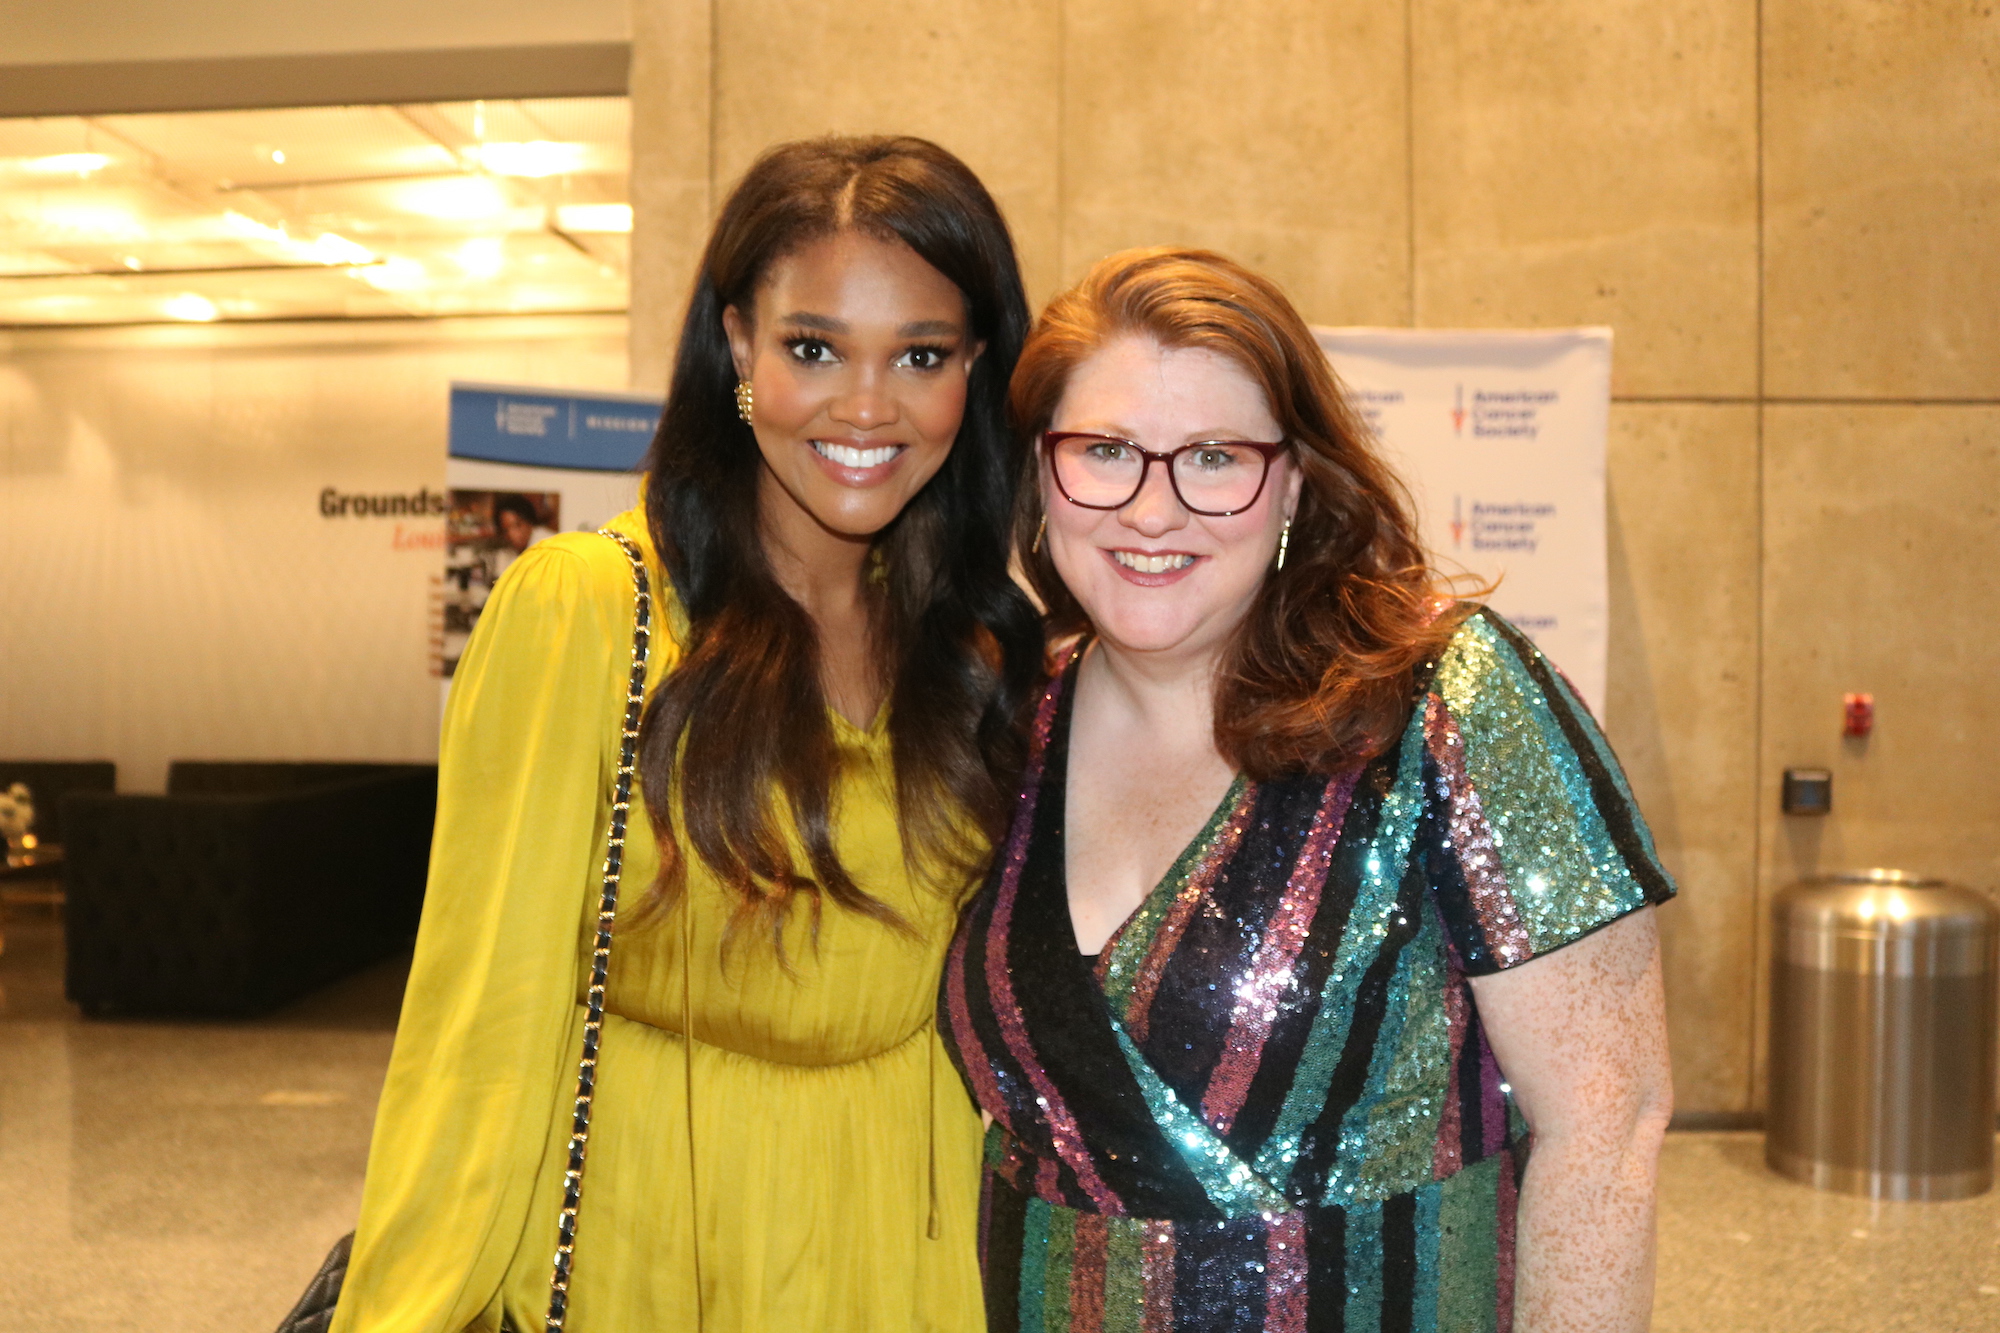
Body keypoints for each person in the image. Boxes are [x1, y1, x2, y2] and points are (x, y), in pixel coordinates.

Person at [332, 136, 1042, 1332]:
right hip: (653, 1248)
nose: (866, 405)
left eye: (919, 355)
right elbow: (481, 1025)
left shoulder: (970, 653)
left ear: (972, 369)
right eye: (812, 347)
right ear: (737, 348)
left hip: (906, 1260)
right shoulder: (589, 611)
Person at [940, 248, 1676, 1332]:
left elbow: (1607, 1123)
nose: (1152, 510)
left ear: (1290, 481)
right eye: (1104, 451)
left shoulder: (1445, 700)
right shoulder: (1003, 724)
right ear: (1038, 475)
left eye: (1214, 457)